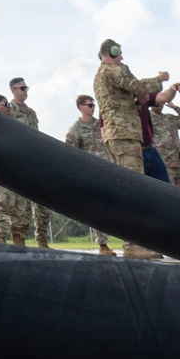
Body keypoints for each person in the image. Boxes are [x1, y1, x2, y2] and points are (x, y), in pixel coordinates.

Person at [93, 38, 180, 258]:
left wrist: (138, 101)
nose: (122, 57)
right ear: (111, 52)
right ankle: (133, 245)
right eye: (119, 53)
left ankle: (136, 242)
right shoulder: (112, 71)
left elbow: (126, 100)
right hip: (123, 135)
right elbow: (139, 86)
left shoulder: (104, 76)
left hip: (121, 135)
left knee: (131, 187)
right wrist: (161, 78)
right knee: (132, 190)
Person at [64, 94, 115, 255]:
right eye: (89, 105)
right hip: (91, 175)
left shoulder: (101, 125)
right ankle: (102, 244)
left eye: (94, 105)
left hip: (107, 171)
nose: (93, 108)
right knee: (98, 209)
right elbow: (69, 153)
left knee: (111, 208)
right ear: (81, 107)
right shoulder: (75, 129)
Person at [7, 78, 51, 248]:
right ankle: (19, 242)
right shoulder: (9, 111)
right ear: (13, 91)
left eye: (26, 88)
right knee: (20, 206)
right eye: (22, 88)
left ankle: (42, 241)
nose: (26, 91)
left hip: (34, 162)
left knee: (41, 205)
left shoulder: (31, 113)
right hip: (18, 163)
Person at [0, 95, 30, 246]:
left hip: (17, 172)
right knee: (2, 207)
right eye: (5, 104)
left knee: (20, 208)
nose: (8, 106)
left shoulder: (13, 124)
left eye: (9, 104)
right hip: (2, 173)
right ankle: (1, 242)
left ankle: (19, 242)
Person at [151, 98, 180, 190]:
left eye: (161, 104)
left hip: (178, 163)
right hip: (163, 163)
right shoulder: (147, 118)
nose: (160, 106)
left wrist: (176, 108)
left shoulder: (170, 118)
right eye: (157, 104)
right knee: (168, 192)